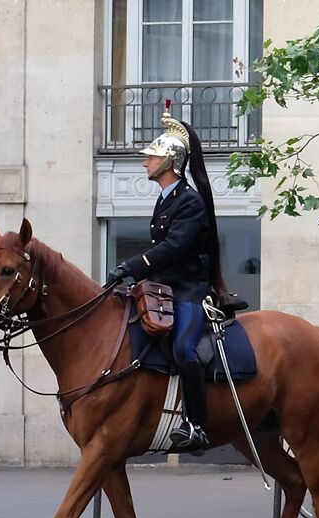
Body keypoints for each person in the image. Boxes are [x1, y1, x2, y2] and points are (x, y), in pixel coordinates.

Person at [105, 113, 228, 452]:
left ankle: (197, 426)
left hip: (189, 290)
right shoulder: (165, 199)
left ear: (170, 162)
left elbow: (173, 247)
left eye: (152, 156)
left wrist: (132, 265)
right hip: (165, 288)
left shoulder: (189, 200)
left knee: (186, 351)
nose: (145, 161)